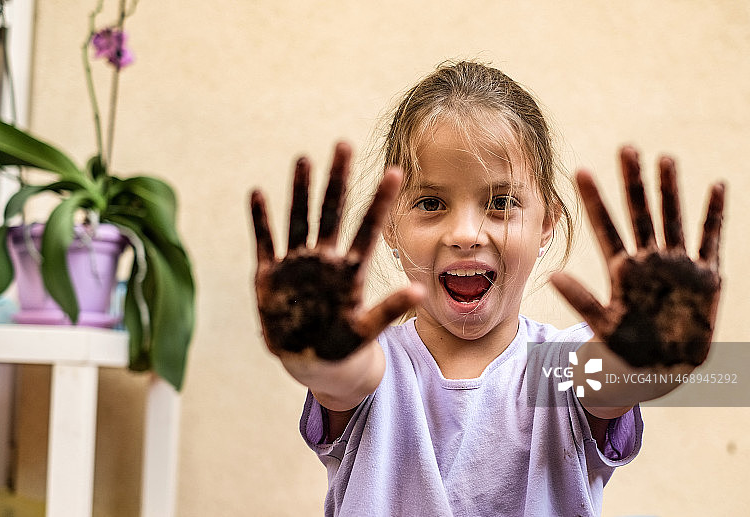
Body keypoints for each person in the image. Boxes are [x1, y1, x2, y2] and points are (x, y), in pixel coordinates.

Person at [249, 61, 725, 516]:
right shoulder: (374, 365)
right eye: (431, 203)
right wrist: (318, 350)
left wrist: (647, 357)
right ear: (389, 227)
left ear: (547, 224)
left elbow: (608, 377)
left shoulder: (558, 369)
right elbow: (343, 376)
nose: (465, 233)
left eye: (501, 203)